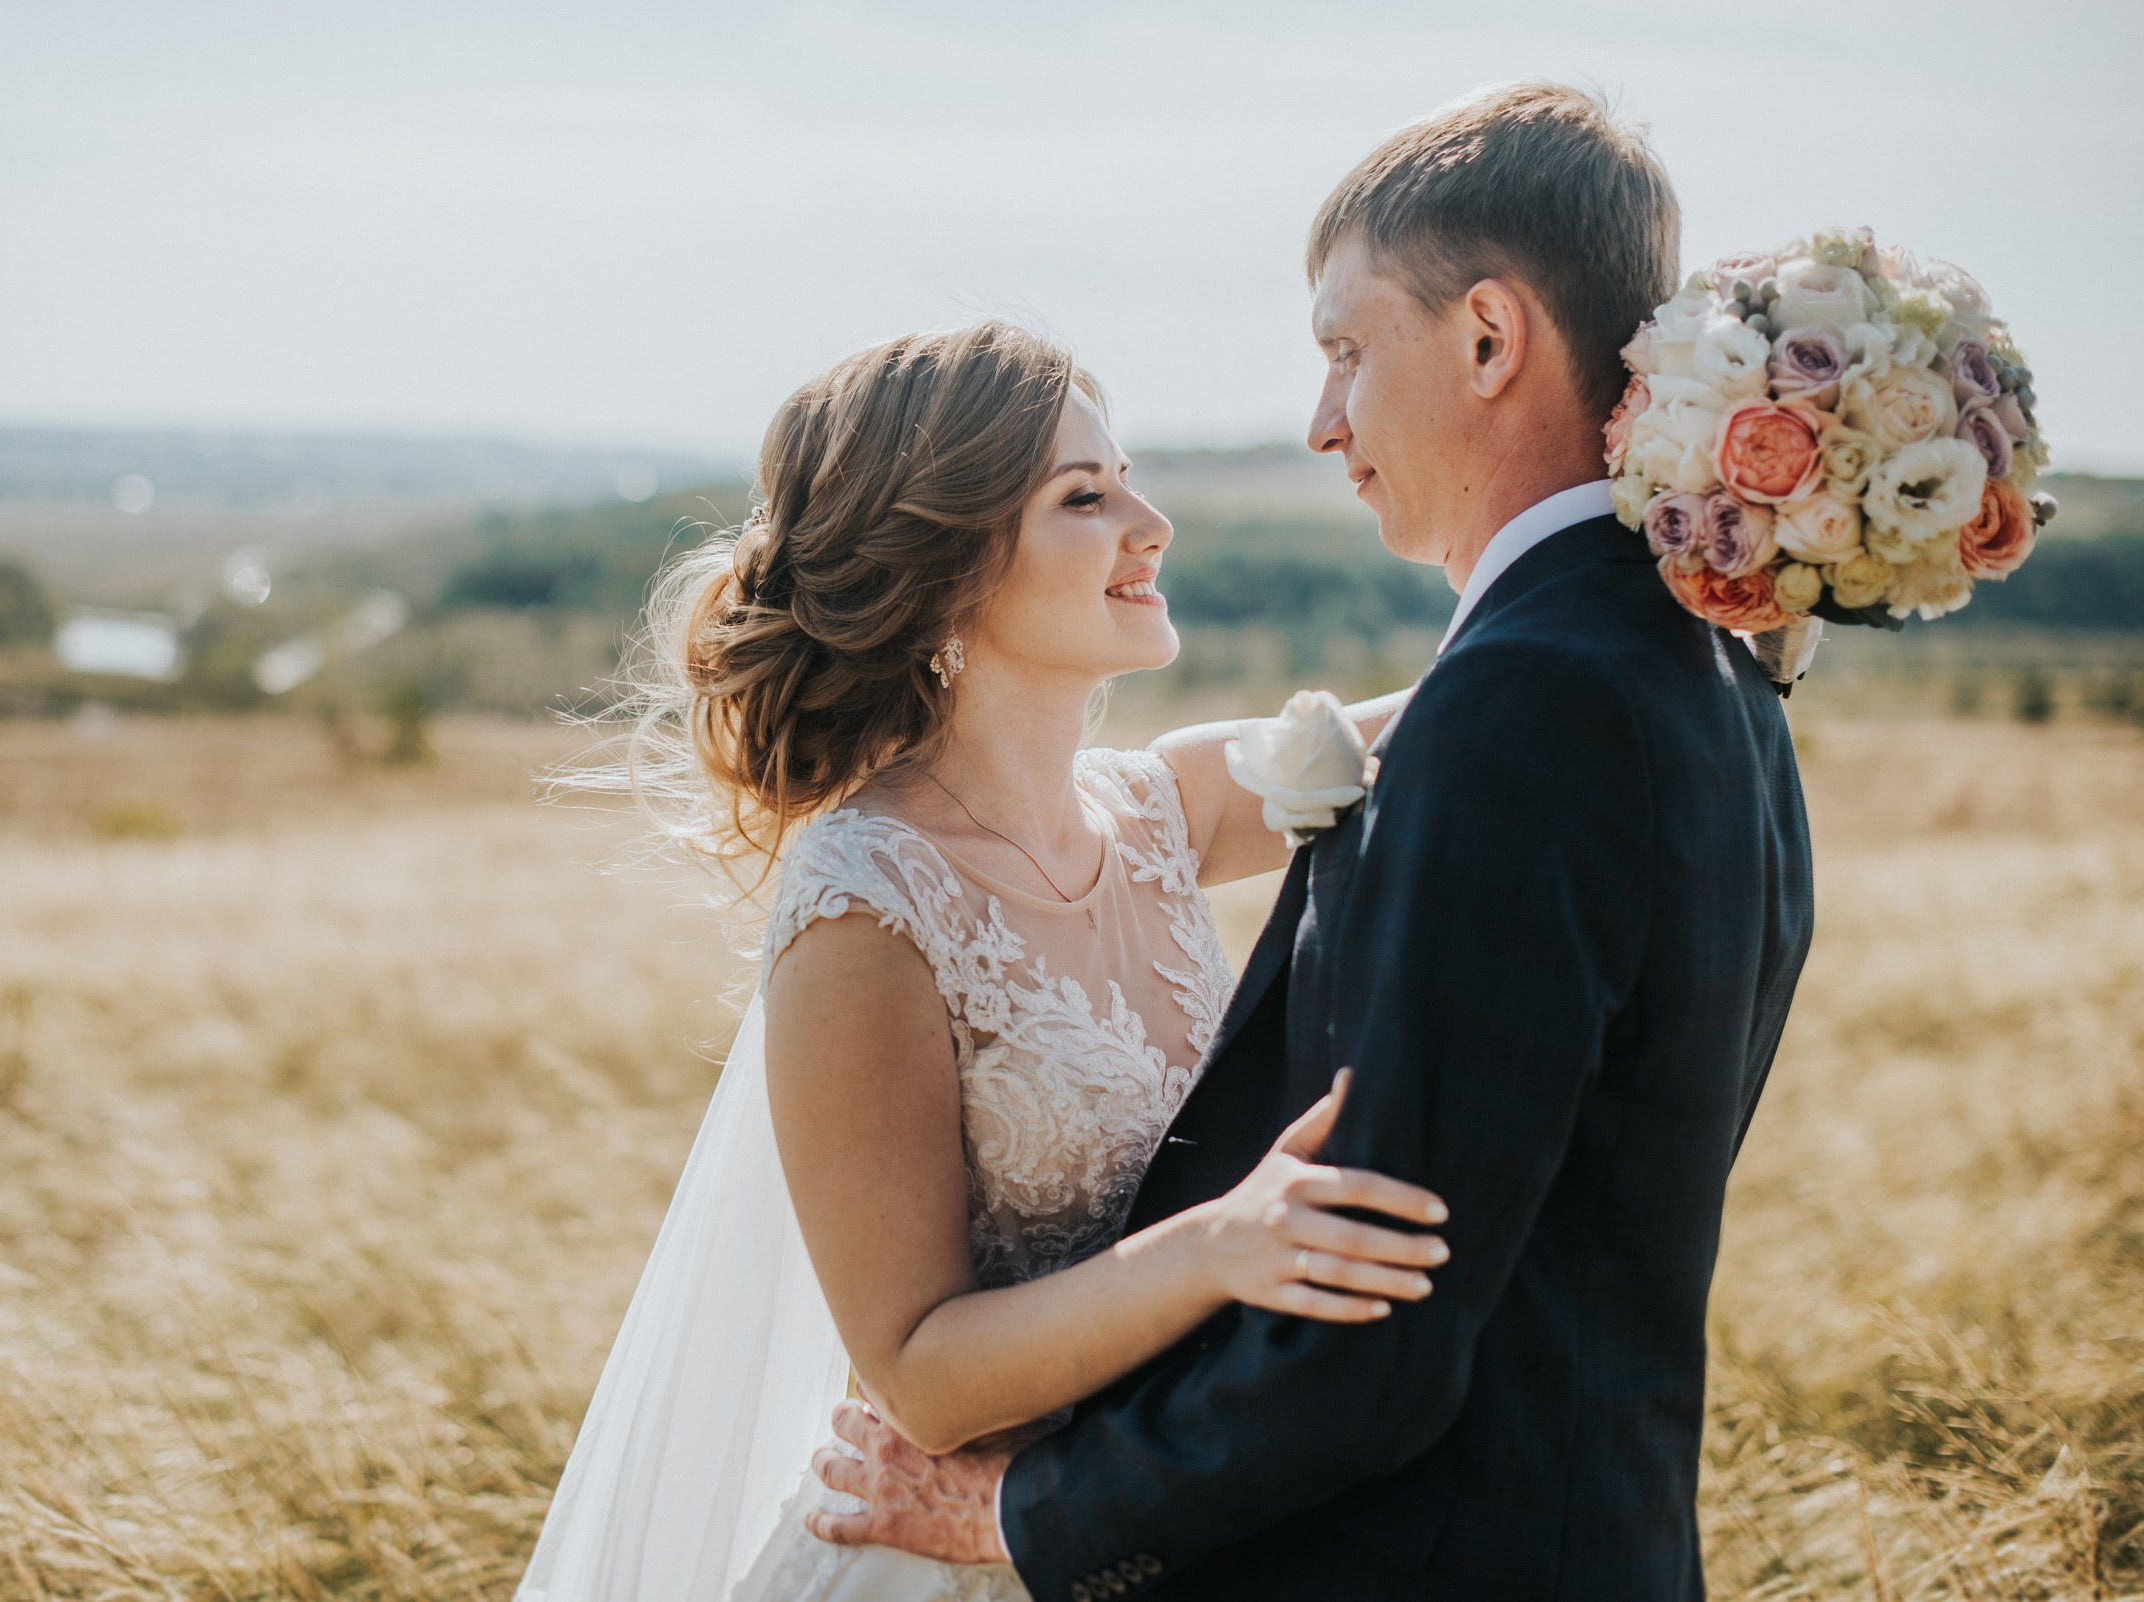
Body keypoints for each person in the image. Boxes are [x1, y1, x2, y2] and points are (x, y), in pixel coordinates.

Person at [809, 83, 1815, 1599]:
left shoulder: (1536, 701)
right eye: (1085, 494)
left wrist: (1026, 1519)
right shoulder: (1703, 668)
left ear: (1490, 339)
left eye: (1347, 349)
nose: (1321, 418)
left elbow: (1379, 1322)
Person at [513, 320, 1448, 1602]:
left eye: (1126, 481)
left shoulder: (1159, 808)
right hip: (952, 1556)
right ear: (951, 565)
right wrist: (1222, 1246)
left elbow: (1462, 706)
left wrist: (1676, 515)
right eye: (1085, 498)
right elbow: (919, 1372)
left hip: (1152, 1529)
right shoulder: (865, 908)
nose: (1152, 526)